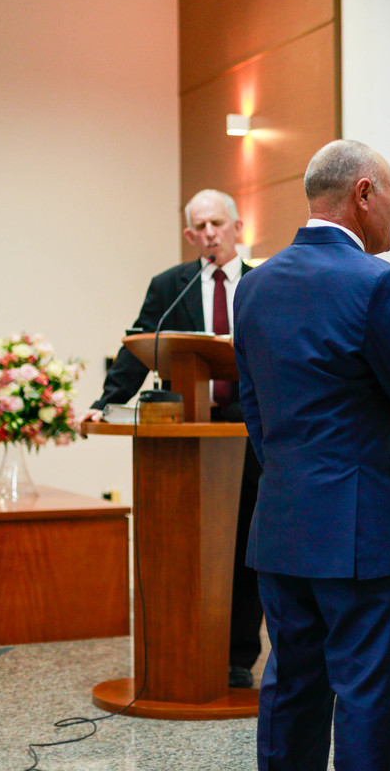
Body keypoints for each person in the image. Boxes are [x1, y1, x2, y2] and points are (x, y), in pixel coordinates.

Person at [233, 139, 390, 771]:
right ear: (363, 193)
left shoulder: (255, 285)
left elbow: (255, 411)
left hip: (282, 521)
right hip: (362, 531)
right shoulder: (379, 283)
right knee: (369, 696)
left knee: (291, 688)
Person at [83, 189, 264, 689]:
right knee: (188, 546)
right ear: (189, 235)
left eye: (217, 224)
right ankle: (180, 648)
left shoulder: (262, 282)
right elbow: (139, 345)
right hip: (188, 434)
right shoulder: (171, 287)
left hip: (250, 432)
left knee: (243, 546)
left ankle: (237, 657)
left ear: (237, 227)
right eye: (199, 227)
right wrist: (105, 401)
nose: (209, 233)